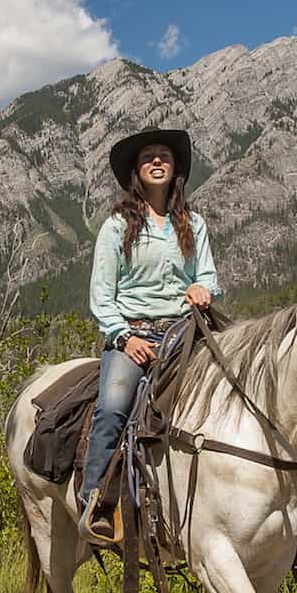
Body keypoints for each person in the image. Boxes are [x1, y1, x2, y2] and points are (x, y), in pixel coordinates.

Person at [79, 128, 220, 541]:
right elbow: (101, 296)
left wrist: (202, 289)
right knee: (113, 406)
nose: (157, 161)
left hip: (184, 332)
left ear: (175, 168)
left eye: (165, 156)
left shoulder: (193, 223)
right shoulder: (116, 226)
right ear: (136, 171)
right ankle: (96, 500)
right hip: (133, 336)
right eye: (148, 157)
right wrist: (125, 338)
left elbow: (207, 274)